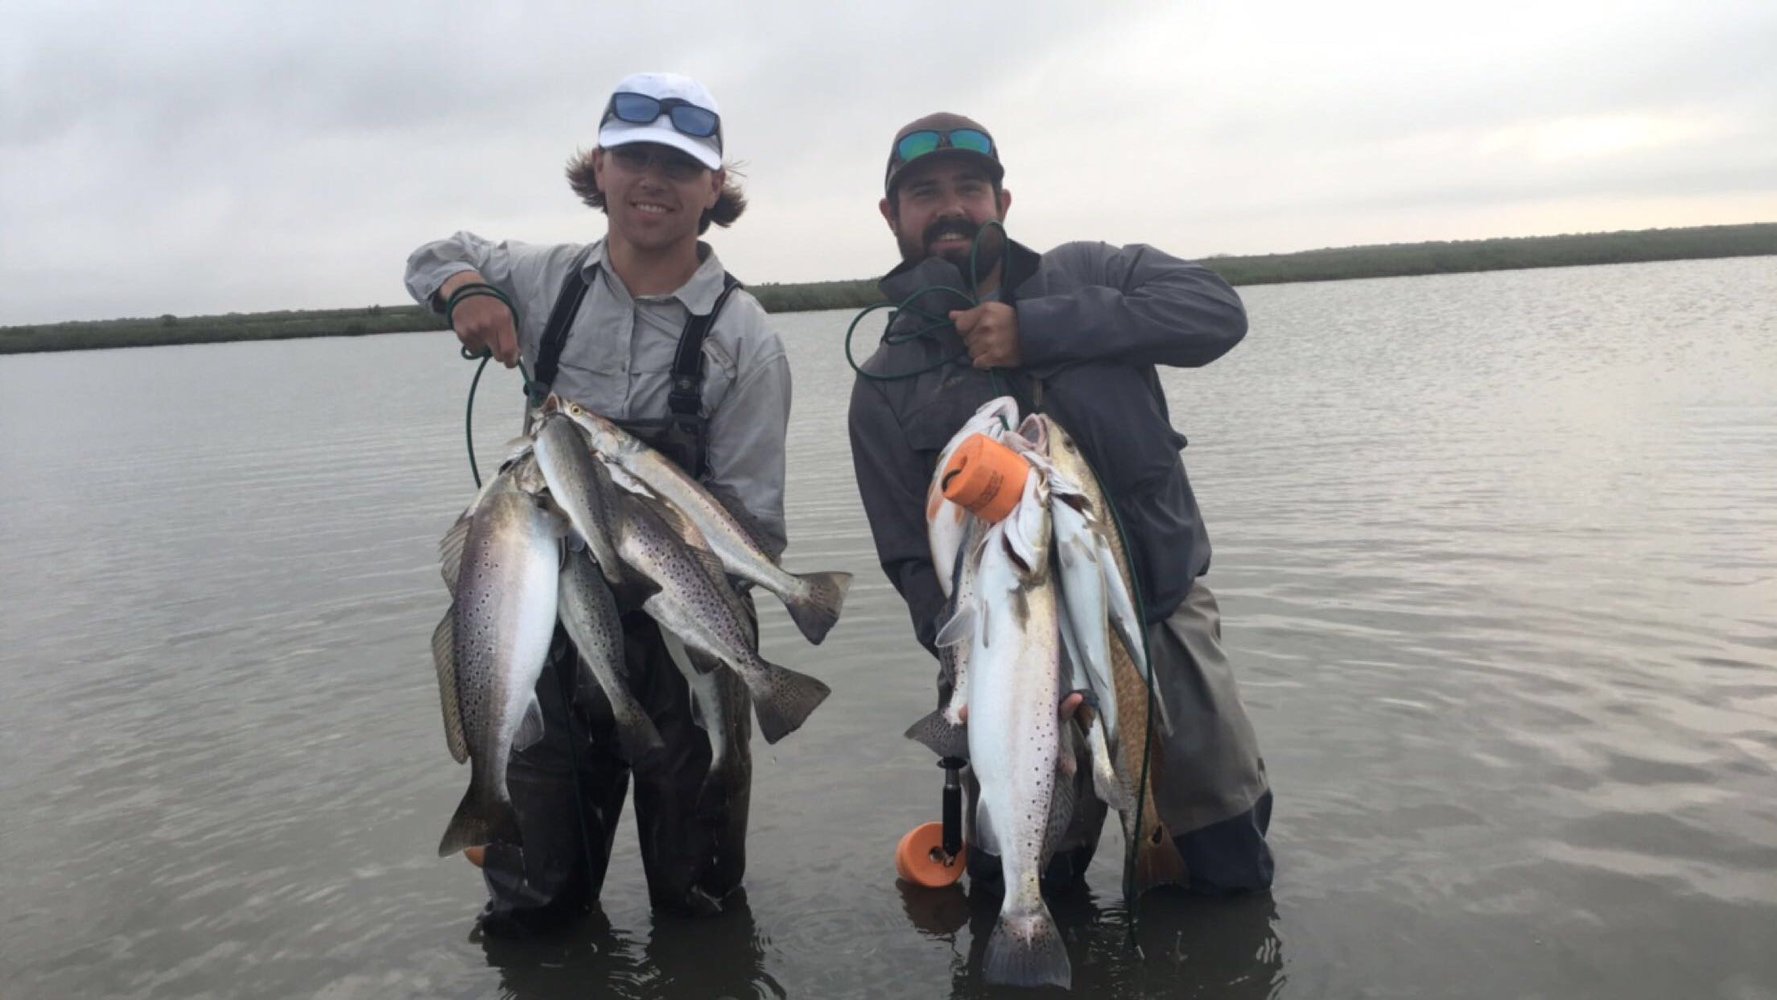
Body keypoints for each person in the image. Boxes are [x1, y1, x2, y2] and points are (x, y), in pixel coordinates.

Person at [847, 112, 1274, 897]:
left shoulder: (1090, 275)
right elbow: (909, 559)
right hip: (1011, 663)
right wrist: (979, 665)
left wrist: (1035, 329)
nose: (949, 208)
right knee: (1025, 884)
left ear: (1002, 201)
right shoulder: (883, 379)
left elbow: (1216, 313)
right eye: (923, 193)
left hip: (1162, 624)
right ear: (890, 215)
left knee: (1223, 874)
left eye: (968, 189)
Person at [404, 72, 790, 931]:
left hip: (686, 624)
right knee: (534, 900)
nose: (654, 180)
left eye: (679, 166)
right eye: (635, 158)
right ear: (601, 171)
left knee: (700, 904)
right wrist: (466, 290)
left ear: (712, 188)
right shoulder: (540, 280)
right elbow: (433, 254)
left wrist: (666, 566)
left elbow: (753, 523)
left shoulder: (746, 340)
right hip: (541, 603)